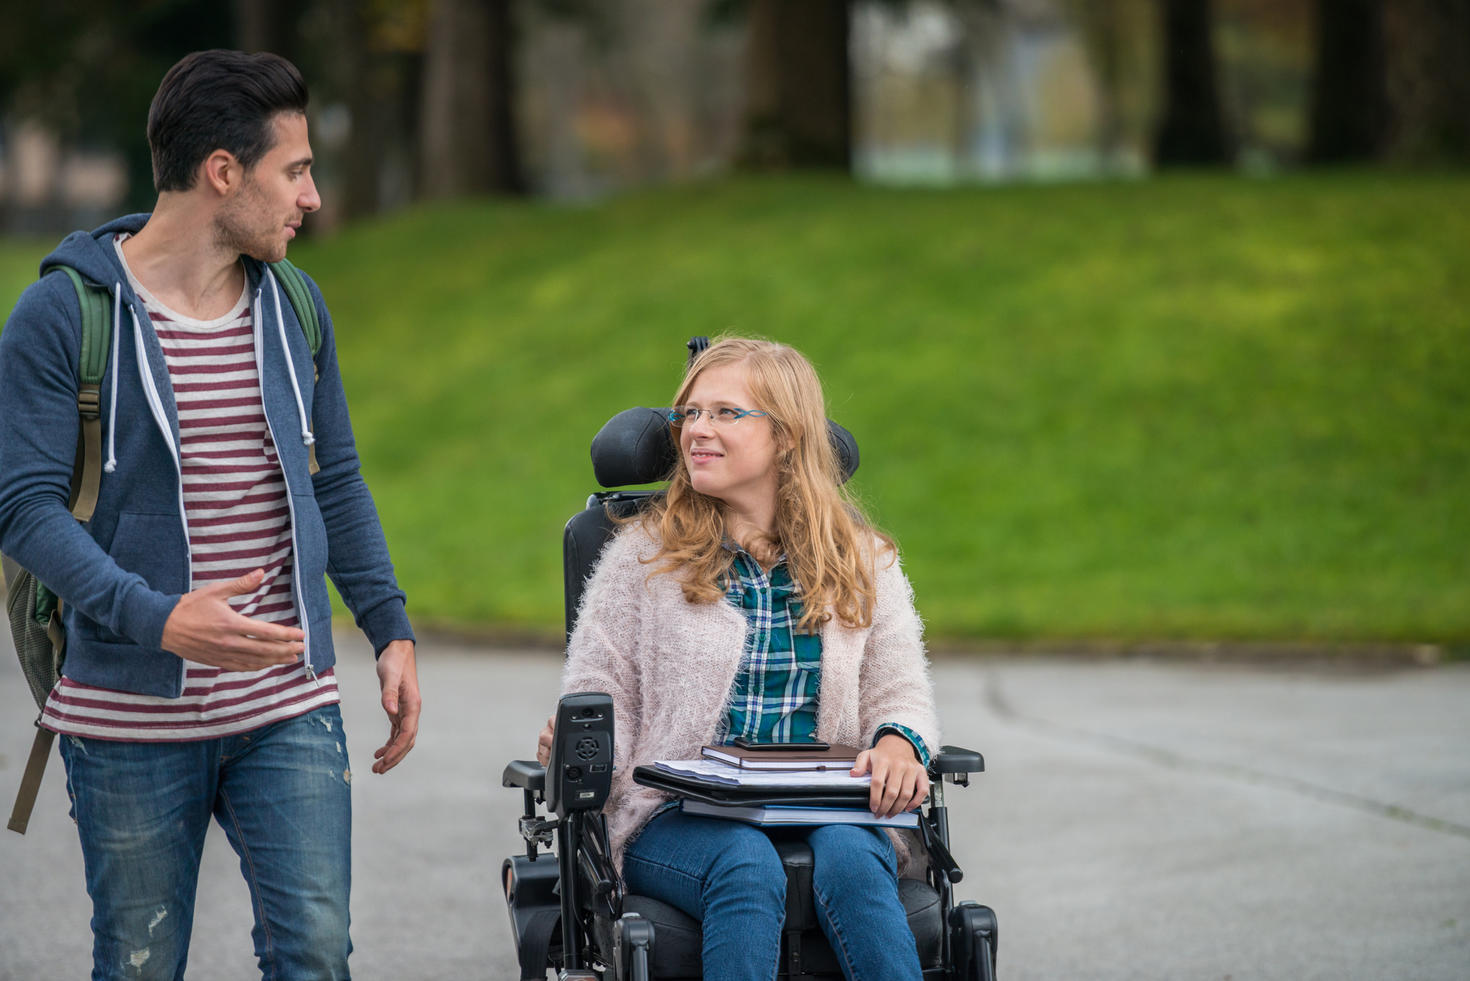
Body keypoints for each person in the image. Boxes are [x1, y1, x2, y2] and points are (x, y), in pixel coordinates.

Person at [0, 50, 418, 980]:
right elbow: (23, 508)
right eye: (296, 171)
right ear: (223, 172)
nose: (310, 198)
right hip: (127, 715)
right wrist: (162, 618)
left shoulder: (295, 306)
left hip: (288, 707)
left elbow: (335, 479)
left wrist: (388, 626)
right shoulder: (62, 315)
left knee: (314, 954)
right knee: (142, 964)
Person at [536, 337, 938, 981]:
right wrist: (581, 743)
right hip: (674, 816)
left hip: (825, 806)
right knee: (744, 863)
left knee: (855, 863)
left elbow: (899, 687)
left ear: (785, 436)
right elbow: (599, 691)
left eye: (725, 413)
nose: (697, 430)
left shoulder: (864, 560)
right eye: (689, 413)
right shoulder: (639, 558)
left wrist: (898, 741)